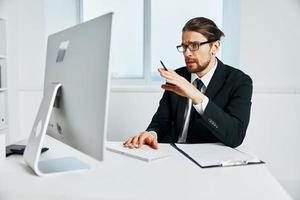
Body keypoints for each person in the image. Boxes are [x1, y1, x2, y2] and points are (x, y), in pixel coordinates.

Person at [123, 17, 253, 149]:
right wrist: (152, 134)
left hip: (208, 158)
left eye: (194, 45)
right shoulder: (178, 77)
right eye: (184, 46)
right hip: (173, 154)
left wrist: (197, 97)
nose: (187, 53)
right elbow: (162, 121)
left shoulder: (239, 81)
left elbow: (235, 135)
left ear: (215, 46)